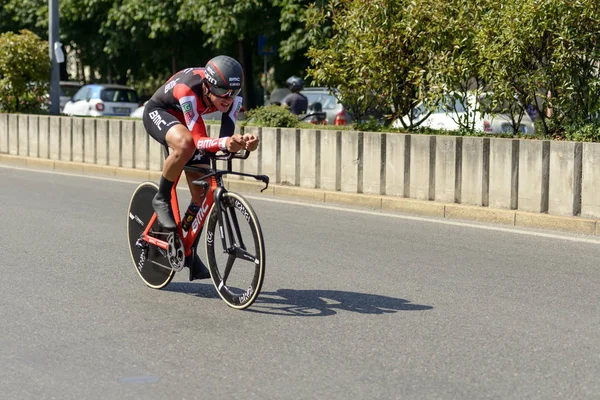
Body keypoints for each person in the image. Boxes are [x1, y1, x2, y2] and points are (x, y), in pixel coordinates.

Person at [142, 55, 259, 279]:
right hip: (162, 112)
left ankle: (187, 246)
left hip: (189, 120)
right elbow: (197, 141)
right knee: (185, 144)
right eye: (222, 92)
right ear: (207, 86)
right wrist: (225, 142)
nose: (228, 98)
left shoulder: (232, 95)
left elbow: (224, 142)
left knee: (203, 193)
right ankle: (161, 196)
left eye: (233, 93)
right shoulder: (190, 90)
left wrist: (242, 142)